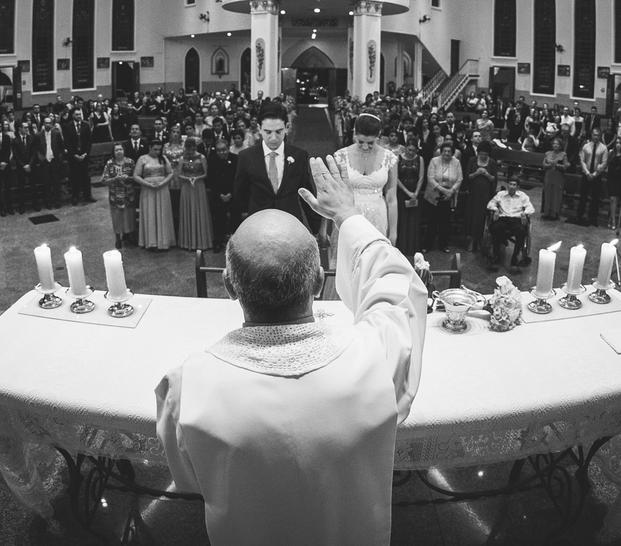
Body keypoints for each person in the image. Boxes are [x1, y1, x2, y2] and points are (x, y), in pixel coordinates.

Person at [155, 155, 427, 546]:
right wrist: (347, 215)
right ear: (318, 282)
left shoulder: (187, 388)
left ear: (228, 286)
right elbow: (399, 287)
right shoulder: (374, 360)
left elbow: (191, 480)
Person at [233, 100, 320, 235]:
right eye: (268, 132)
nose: (273, 138)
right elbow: (240, 194)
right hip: (258, 226)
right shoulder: (246, 156)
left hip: (291, 225)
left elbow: (306, 194)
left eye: (278, 132)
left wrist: (317, 230)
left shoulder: (299, 156)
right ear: (259, 128)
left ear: (287, 127)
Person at [325, 113, 398, 263]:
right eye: (360, 142)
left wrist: (394, 232)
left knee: (374, 262)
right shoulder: (340, 156)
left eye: (371, 143)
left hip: (377, 216)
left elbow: (392, 199)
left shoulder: (389, 158)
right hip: (348, 215)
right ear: (354, 134)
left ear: (378, 136)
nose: (365, 147)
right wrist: (323, 227)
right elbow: (332, 194)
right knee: (346, 262)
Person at [135, 140, 176, 250]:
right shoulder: (142, 159)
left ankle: (163, 241)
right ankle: (151, 241)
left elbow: (171, 173)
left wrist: (163, 183)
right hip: (148, 190)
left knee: (163, 213)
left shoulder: (164, 158)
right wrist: (147, 184)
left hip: (162, 189)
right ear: (149, 147)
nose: (157, 152)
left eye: (159, 150)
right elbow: (136, 175)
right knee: (150, 213)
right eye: (155, 149)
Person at [486, 175, 534, 267]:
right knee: (495, 228)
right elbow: (490, 204)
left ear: (517, 186)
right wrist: (495, 209)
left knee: (521, 231)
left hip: (516, 220)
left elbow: (530, 208)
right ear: (507, 184)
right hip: (503, 219)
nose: (512, 186)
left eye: (514, 185)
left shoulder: (522, 196)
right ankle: (496, 254)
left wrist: (524, 213)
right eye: (510, 184)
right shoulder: (501, 194)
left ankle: (515, 257)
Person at [423, 141, 462, 252]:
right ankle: (428, 245)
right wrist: (444, 190)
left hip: (449, 197)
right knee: (432, 222)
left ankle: (444, 245)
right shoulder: (434, 161)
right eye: (444, 151)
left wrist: (451, 191)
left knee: (445, 223)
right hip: (434, 195)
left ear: (452, 153)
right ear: (441, 152)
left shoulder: (456, 163)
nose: (446, 153)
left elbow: (460, 179)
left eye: (449, 151)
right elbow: (430, 178)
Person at [177, 137, 213, 251]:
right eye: (189, 149)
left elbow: (206, 173)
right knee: (188, 209)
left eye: (192, 149)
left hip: (198, 186)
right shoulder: (182, 158)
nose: (191, 152)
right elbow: (178, 174)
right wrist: (188, 179)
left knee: (199, 210)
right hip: (186, 187)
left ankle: (201, 241)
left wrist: (196, 178)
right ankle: (188, 242)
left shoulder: (201, 157)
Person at [101, 143, 138, 249]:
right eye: (116, 150)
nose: (119, 152)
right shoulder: (110, 163)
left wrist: (129, 178)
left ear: (124, 150)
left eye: (120, 149)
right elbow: (104, 180)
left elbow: (137, 177)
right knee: (117, 218)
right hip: (115, 196)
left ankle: (131, 236)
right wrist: (115, 179)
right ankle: (118, 239)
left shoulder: (130, 162)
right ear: (113, 152)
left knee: (130, 216)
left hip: (129, 195)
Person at [463, 145, 498, 252]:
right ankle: (471, 240)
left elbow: (494, 179)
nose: (483, 156)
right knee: (472, 216)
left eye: (485, 155)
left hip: (485, 194)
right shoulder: (472, 160)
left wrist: (486, 174)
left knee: (482, 217)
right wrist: (477, 173)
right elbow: (467, 176)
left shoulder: (492, 163)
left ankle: (479, 240)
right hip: (473, 193)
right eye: (481, 154)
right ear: (478, 153)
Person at [207, 135, 238, 253]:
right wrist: (219, 194)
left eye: (223, 150)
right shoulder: (212, 160)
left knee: (235, 219)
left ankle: (234, 244)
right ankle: (219, 242)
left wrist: (231, 194)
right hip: (219, 196)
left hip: (233, 195)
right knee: (219, 220)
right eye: (219, 150)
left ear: (228, 148)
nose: (221, 152)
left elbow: (238, 179)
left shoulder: (236, 159)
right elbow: (211, 181)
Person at [395, 141, 425, 256]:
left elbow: (421, 177)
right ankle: (401, 247)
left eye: (413, 150)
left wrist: (415, 193)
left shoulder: (420, 159)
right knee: (402, 219)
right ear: (405, 148)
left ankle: (413, 247)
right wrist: (407, 192)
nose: (411, 152)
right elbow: (395, 178)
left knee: (413, 220)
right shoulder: (398, 158)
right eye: (409, 150)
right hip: (402, 192)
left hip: (415, 192)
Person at [575, 128, 608, 226]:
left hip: (597, 176)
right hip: (586, 175)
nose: (596, 137)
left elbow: (604, 163)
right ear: (592, 135)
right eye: (594, 135)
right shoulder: (586, 146)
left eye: (598, 135)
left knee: (595, 198)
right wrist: (587, 173)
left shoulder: (603, 148)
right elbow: (582, 160)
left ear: (600, 136)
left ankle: (593, 218)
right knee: (583, 196)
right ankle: (579, 216)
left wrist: (594, 174)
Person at [64, 107, 95, 204]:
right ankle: (75, 196)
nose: (78, 116)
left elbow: (89, 141)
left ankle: (87, 195)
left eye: (79, 114)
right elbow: (67, 143)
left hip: (84, 155)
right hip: (73, 156)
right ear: (73, 115)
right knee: (74, 177)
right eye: (77, 114)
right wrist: (74, 154)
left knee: (85, 176)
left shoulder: (86, 125)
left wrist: (85, 153)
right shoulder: (68, 126)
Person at [34, 117, 65, 209]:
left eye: (49, 123)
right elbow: (36, 149)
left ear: (52, 124)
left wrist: (59, 158)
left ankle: (57, 201)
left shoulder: (56, 133)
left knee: (56, 182)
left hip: (54, 160)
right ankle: (48, 202)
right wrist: (41, 159)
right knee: (46, 183)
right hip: (45, 162)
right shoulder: (38, 135)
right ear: (43, 124)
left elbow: (61, 147)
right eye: (46, 123)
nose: (48, 125)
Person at [12, 120, 38, 213]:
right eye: (25, 127)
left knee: (33, 186)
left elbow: (34, 152)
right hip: (21, 167)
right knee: (21, 187)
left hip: (31, 166)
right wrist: (24, 165)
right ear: (20, 129)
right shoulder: (15, 140)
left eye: (28, 127)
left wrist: (29, 164)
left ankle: (35, 204)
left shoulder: (32, 138)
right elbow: (16, 156)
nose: (27, 129)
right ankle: (21, 206)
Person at [541, 137, 569, 220]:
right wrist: (550, 165)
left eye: (557, 144)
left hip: (558, 177)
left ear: (560, 145)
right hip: (549, 175)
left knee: (556, 194)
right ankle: (546, 213)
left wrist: (557, 165)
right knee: (548, 193)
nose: (555, 145)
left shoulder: (563, 154)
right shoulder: (547, 153)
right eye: (554, 144)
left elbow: (565, 166)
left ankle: (554, 214)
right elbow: (543, 165)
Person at [605, 141, 621, 231]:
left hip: (619, 179)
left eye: (620, 143)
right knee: (612, 198)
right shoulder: (611, 153)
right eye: (617, 143)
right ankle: (613, 220)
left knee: (616, 199)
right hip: (611, 178)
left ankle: (611, 218)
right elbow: (607, 165)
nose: (618, 145)